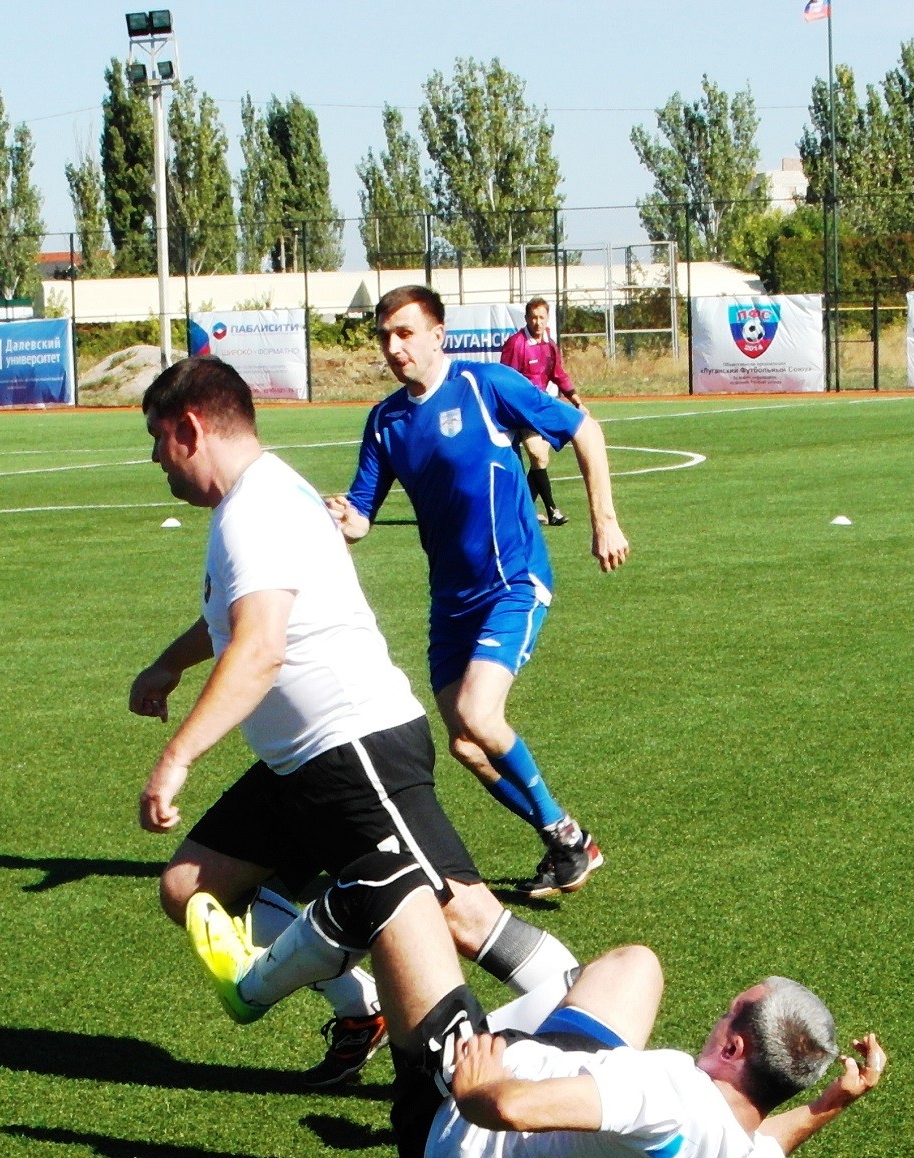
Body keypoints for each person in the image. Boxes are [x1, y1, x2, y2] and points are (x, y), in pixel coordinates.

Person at [130, 354, 584, 1091]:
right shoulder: (258, 500)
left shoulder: (257, 510)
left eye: (157, 440)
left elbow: (260, 647)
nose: (155, 459)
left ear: (189, 427)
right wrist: (169, 664)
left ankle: (576, 1003)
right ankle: (361, 1010)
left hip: (357, 749)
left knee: (459, 920)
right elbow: (234, 614)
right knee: (191, 888)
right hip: (297, 766)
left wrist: (178, 756)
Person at [329, 285, 631, 898]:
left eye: (405, 333)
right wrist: (337, 518)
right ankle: (567, 841)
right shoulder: (386, 421)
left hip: (512, 583)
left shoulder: (485, 385)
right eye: (385, 336)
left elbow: (584, 430)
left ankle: (567, 837)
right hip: (450, 604)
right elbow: (361, 517)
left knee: (477, 715)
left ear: (438, 333)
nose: (394, 347)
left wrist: (604, 520)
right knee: (466, 744)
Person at [422, 943, 887, 1158]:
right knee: (636, 965)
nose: (718, 1019)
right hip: (562, 1081)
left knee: (399, 888)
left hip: (449, 1132)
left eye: (729, 1013)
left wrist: (471, 1088)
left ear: (732, 1051)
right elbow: (767, 1145)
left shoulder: (666, 1092)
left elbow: (506, 1109)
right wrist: (835, 1101)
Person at [498, 297, 579, 526]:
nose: (537, 322)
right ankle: (552, 510)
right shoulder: (516, 344)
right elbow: (504, 378)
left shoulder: (550, 344)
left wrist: (577, 401)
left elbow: (558, 374)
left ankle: (524, 513)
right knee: (537, 454)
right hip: (522, 410)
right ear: (526, 319)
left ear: (547, 318)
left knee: (540, 461)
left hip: (543, 408)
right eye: (533, 317)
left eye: (541, 317)